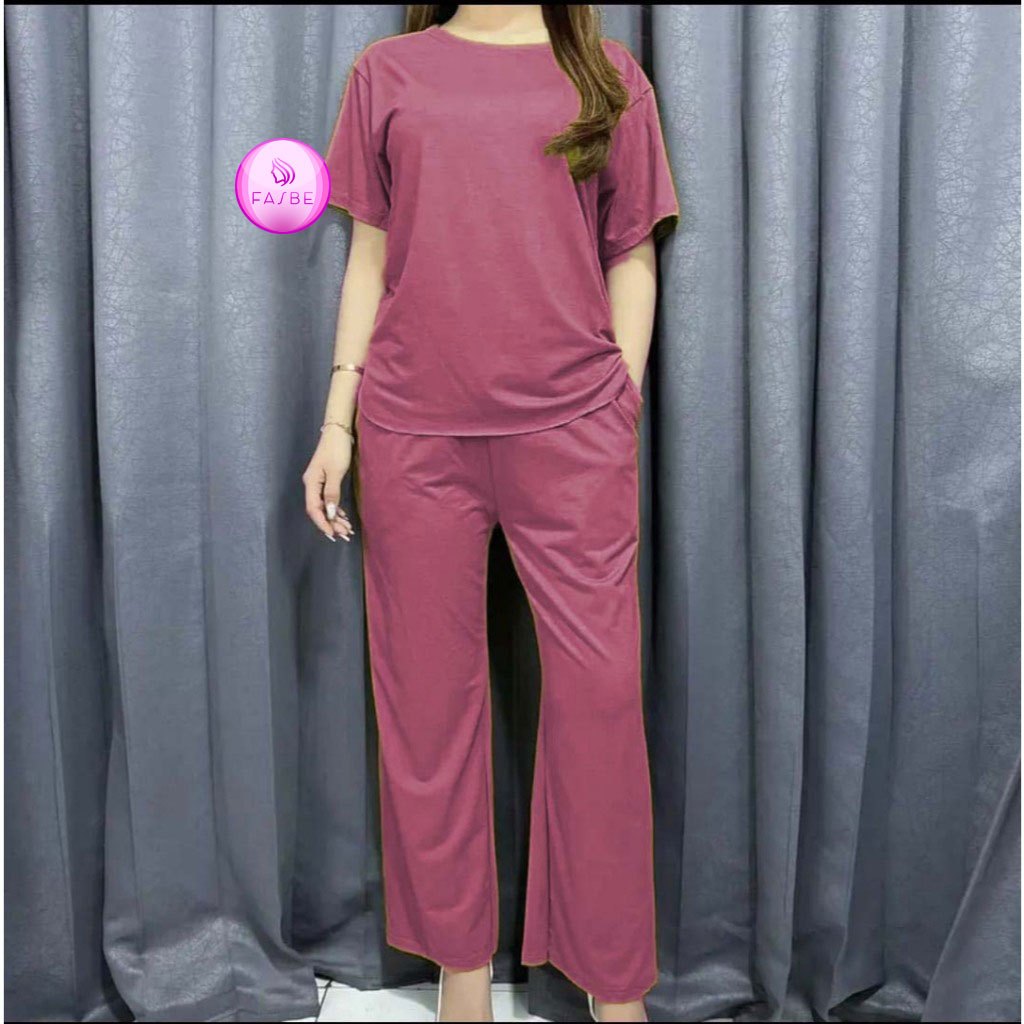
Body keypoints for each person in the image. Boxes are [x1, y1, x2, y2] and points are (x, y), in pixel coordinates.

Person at [303, 5, 679, 1021]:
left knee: (601, 706)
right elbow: (370, 254)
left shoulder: (606, 73)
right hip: (413, 433)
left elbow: (631, 248)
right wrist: (338, 422)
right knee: (427, 712)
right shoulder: (387, 72)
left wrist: (618, 398)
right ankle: (460, 979)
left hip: (572, 436)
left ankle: (615, 989)